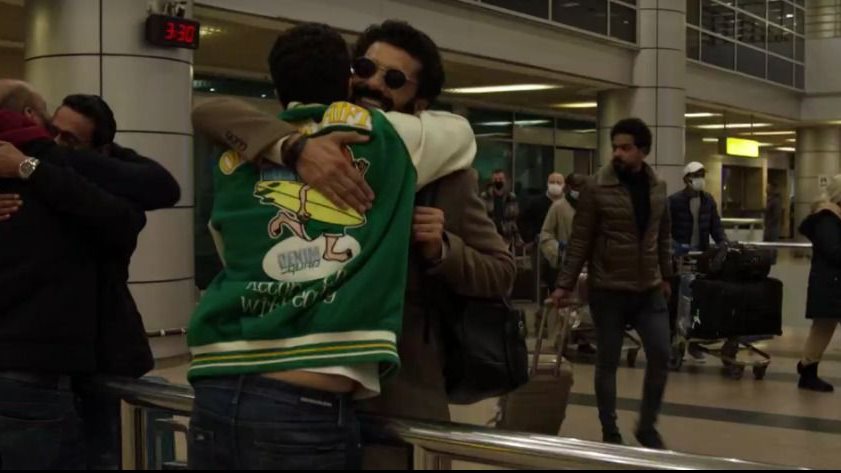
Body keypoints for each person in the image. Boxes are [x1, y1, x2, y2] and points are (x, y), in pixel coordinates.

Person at [191, 19, 515, 468]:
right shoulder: (286, 139)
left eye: (394, 79)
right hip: (305, 388)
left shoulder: (439, 169)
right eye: (364, 68)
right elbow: (211, 114)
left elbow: (501, 270)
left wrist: (441, 247)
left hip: (394, 396)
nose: (372, 83)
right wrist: (294, 148)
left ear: (420, 102)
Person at [0, 81, 154, 469]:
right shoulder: (45, 183)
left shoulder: (49, 178)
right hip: (41, 364)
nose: (57, 144)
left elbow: (141, 201)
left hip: (78, 359)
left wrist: (32, 166)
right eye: (52, 130)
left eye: (69, 139)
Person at [552, 118, 673, 450]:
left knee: (661, 353)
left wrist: (667, 275)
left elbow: (663, 235)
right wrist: (564, 284)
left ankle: (647, 426)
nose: (618, 153)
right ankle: (610, 429)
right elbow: (580, 240)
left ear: (643, 150)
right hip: (608, 289)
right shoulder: (596, 187)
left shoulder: (658, 187)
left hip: (648, 288)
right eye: (615, 147)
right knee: (607, 361)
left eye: (626, 147)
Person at [796, 174, 841, 393]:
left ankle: (807, 367)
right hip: (829, 284)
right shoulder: (827, 219)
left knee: (822, 328)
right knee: (822, 328)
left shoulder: (833, 217)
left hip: (831, 283)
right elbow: (834, 251)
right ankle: (807, 369)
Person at [668, 161, 726, 252]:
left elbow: (716, 226)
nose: (700, 179)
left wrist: (723, 242)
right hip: (681, 252)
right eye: (696, 176)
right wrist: (675, 246)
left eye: (702, 176)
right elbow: (664, 229)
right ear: (686, 179)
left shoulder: (708, 200)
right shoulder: (674, 201)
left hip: (702, 251)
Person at [520, 172, 565, 245]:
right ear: (547, 183)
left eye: (558, 182)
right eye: (552, 182)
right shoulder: (536, 203)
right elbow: (523, 221)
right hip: (540, 244)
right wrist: (531, 238)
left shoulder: (568, 203)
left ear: (564, 185)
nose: (555, 185)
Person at [481, 169, 522, 249]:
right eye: (495, 179)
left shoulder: (511, 197)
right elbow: (482, 216)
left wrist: (516, 237)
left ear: (505, 180)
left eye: (500, 179)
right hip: (489, 235)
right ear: (492, 181)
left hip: (506, 237)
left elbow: (514, 217)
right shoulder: (485, 197)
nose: (498, 181)